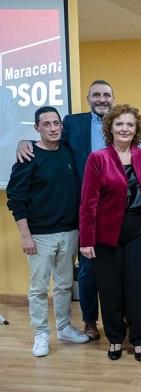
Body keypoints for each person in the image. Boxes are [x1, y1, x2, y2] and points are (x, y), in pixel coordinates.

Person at [16, 80, 115, 341]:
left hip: (109, 212)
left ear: (113, 99)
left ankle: (110, 322)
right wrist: (23, 142)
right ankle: (86, 322)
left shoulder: (121, 122)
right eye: (97, 95)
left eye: (106, 95)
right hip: (82, 212)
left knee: (97, 273)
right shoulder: (73, 123)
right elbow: (46, 140)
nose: (102, 99)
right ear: (88, 98)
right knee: (84, 270)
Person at [7, 106, 89, 357]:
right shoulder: (28, 157)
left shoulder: (67, 151)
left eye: (56, 123)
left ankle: (64, 328)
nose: (53, 128)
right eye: (47, 124)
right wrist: (25, 235)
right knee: (39, 288)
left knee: (64, 285)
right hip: (39, 235)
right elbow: (16, 199)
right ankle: (41, 333)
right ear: (37, 128)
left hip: (69, 232)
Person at [79, 104, 141, 362]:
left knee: (135, 286)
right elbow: (88, 202)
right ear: (110, 127)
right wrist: (86, 239)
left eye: (130, 125)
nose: (125, 129)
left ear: (136, 129)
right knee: (109, 288)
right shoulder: (98, 158)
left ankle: (139, 338)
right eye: (120, 124)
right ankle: (114, 338)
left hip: (136, 231)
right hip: (105, 233)